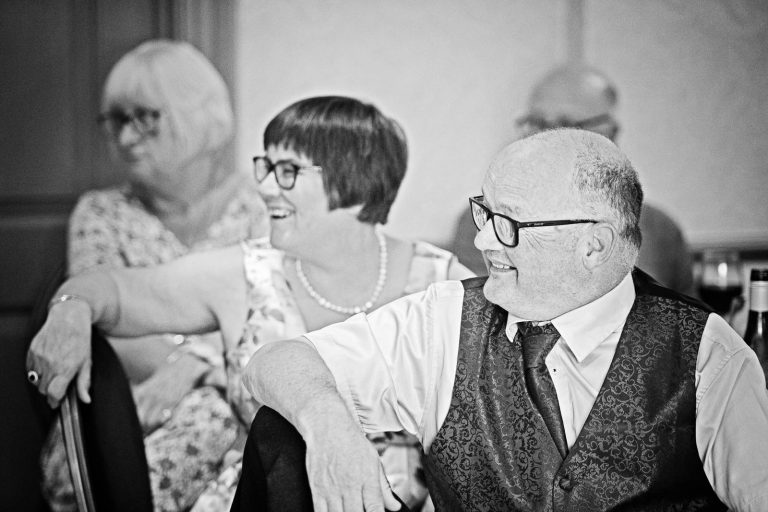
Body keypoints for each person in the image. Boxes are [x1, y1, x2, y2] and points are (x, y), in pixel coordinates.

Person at [234, 129, 768, 511]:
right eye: (484, 213)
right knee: (279, 431)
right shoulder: (445, 320)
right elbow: (275, 362)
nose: (484, 240)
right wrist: (329, 426)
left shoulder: (704, 351)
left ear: (593, 244)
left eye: (509, 223)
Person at [27, 95, 474, 511]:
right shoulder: (242, 276)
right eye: (266, 166)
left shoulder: (442, 285)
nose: (263, 187)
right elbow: (116, 293)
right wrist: (70, 307)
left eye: (288, 171)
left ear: (354, 180)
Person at [40, 39, 269, 511]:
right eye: (116, 120)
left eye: (144, 117)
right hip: (132, 408)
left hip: (243, 403)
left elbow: (275, 316)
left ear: (199, 114)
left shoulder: (265, 205)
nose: (125, 138)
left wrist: (193, 366)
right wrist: (202, 361)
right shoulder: (100, 212)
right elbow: (103, 330)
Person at [452, 64, 695, 296]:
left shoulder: (660, 231)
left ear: (610, 133)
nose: (545, 138)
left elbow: (688, 332)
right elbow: (486, 324)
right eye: (537, 123)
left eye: (567, 124)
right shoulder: (484, 222)